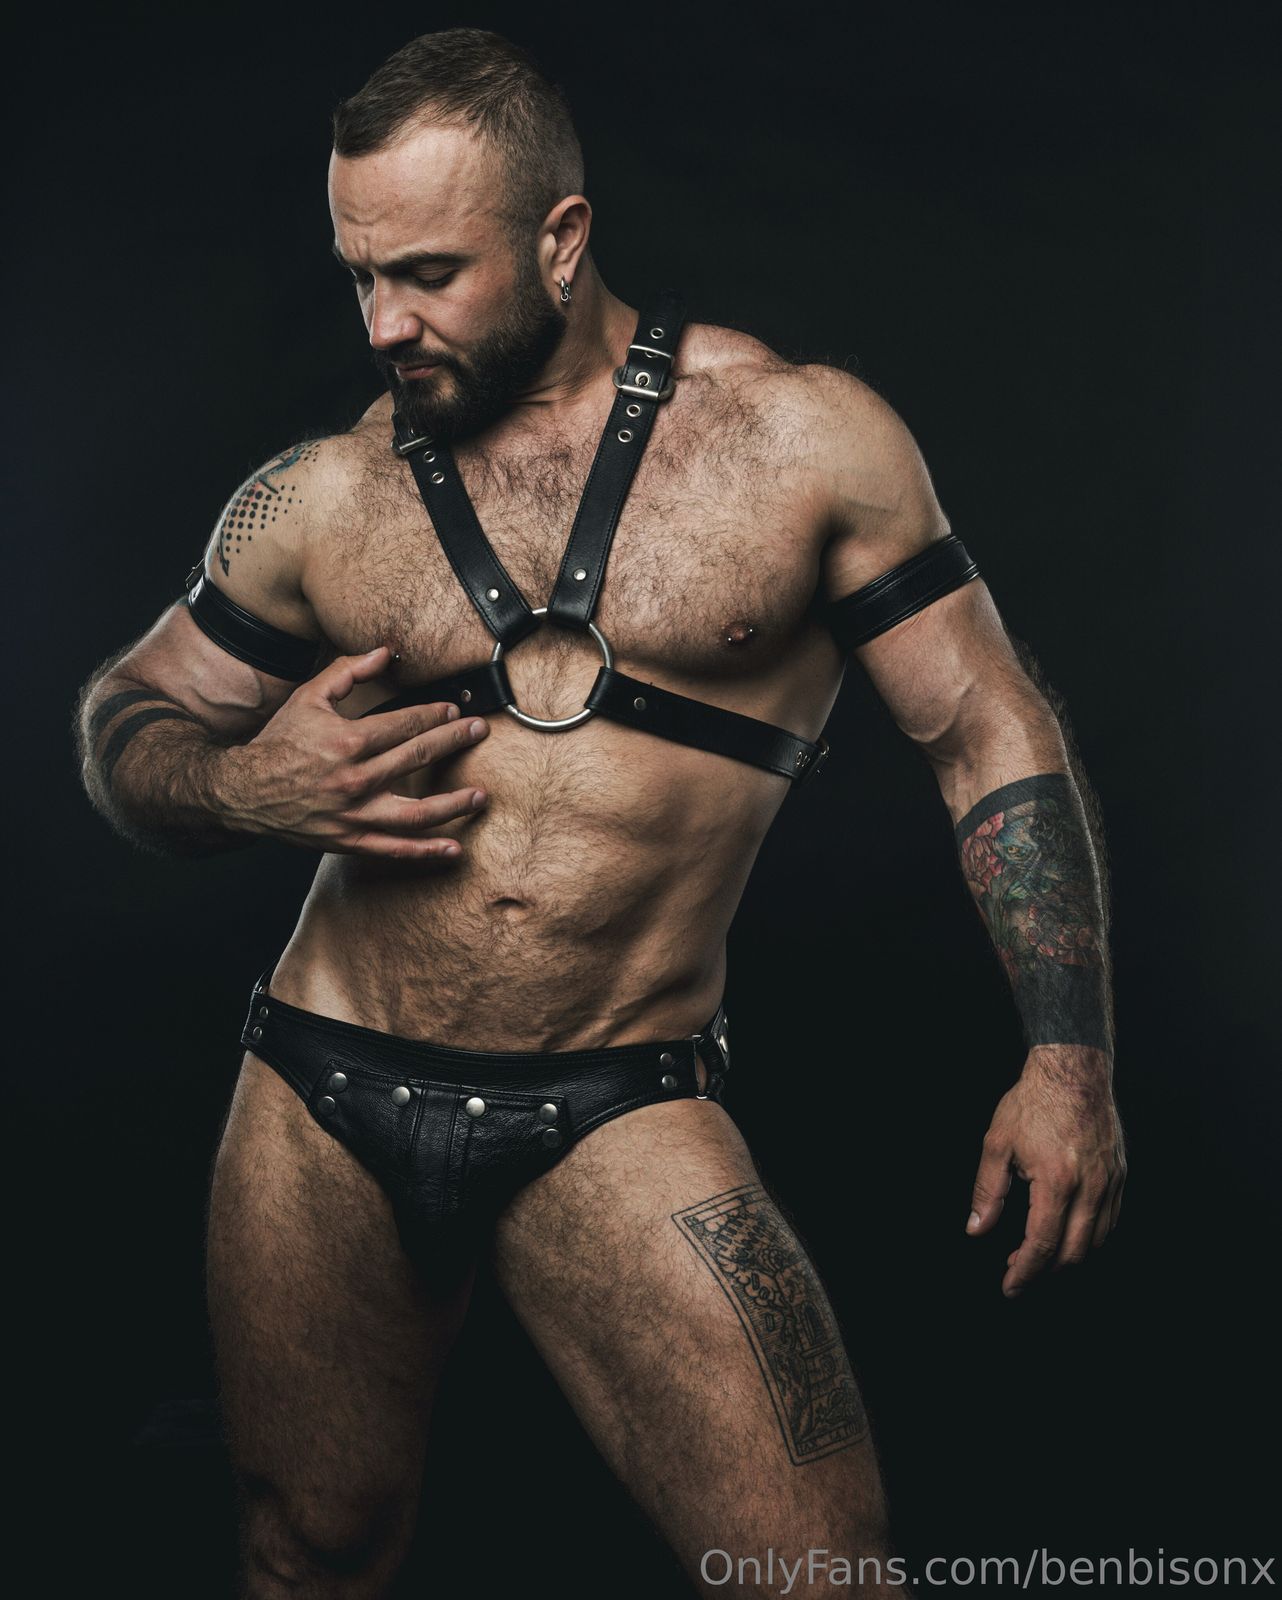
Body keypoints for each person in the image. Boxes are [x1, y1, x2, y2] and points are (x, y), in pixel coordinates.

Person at [75, 26, 1126, 1600]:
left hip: (613, 1100)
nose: (384, 322)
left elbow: (983, 727)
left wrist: (1066, 1057)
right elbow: (125, 720)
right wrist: (236, 783)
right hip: (319, 1088)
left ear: (560, 238)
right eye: (360, 276)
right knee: (307, 1549)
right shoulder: (326, 494)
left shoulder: (800, 442)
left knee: (816, 1578)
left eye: (427, 273)